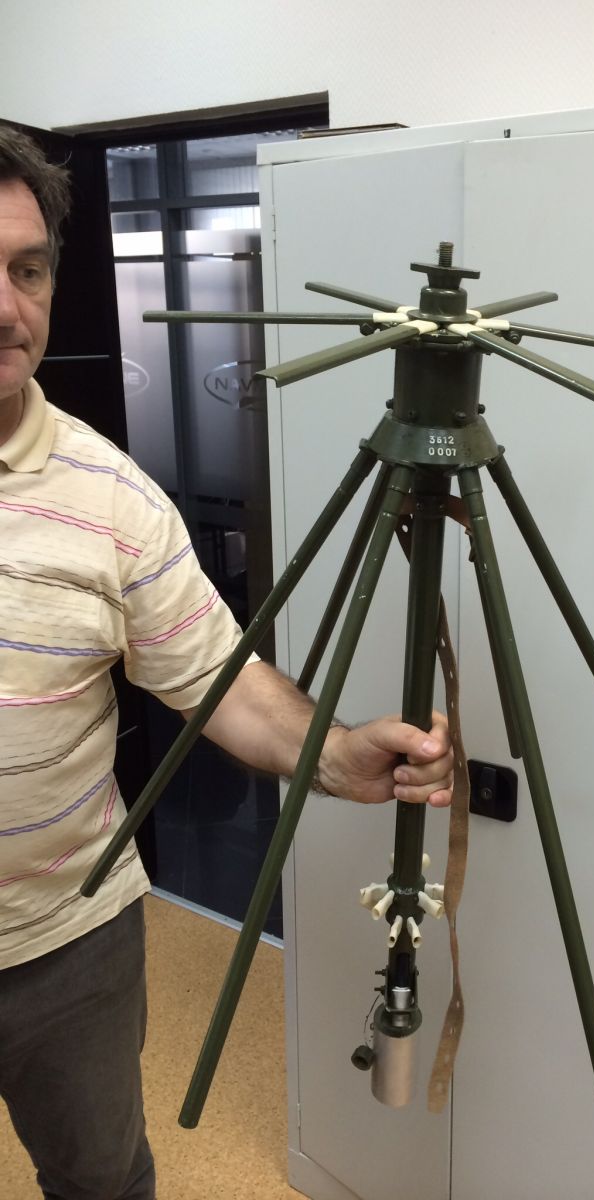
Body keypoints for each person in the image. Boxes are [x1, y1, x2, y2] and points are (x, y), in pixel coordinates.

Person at [0, 125, 453, 1200]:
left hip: (65, 939)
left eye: (28, 270)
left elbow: (220, 681)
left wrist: (339, 754)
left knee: (100, 1178)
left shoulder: (113, 499)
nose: (8, 308)